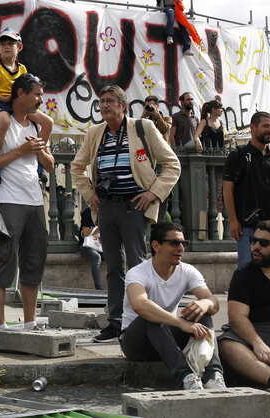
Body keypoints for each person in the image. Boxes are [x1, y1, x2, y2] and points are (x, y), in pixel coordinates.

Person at [71, 85, 181, 343]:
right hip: (106, 207)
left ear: (123, 105)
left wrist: (153, 193)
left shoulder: (143, 128)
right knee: (113, 268)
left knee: (138, 265)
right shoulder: (95, 133)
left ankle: (142, 320)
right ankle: (115, 323)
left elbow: (172, 164)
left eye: (110, 101)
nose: (105, 105)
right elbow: (77, 167)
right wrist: (90, 195)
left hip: (135, 206)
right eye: (102, 101)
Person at [0, 74, 54, 330]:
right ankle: (0, 326)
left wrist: (40, 151)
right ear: (20, 94)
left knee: (33, 264)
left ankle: (29, 323)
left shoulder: (35, 125)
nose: (40, 99)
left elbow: (50, 165)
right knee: (3, 263)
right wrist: (19, 152)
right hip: (7, 202)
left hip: (35, 202)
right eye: (35, 94)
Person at [120, 222, 225, 390]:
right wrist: (181, 323)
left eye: (184, 243)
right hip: (136, 342)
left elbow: (213, 302)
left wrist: (205, 303)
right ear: (156, 245)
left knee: (203, 313)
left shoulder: (188, 271)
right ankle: (187, 378)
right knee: (151, 316)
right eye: (174, 243)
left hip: (166, 336)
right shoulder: (138, 273)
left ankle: (214, 375)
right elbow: (140, 305)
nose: (181, 248)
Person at [0, 28, 54, 185]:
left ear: (19, 47)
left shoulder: (23, 69)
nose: (7, 46)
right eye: (3, 44)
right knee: (5, 122)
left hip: (17, 103)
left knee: (48, 122)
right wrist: (2, 98)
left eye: (11, 43)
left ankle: (40, 161)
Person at [219, 220, 270, 399]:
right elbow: (237, 318)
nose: (256, 247)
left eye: (263, 243)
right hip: (257, 330)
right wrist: (257, 343)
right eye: (253, 241)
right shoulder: (243, 274)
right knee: (226, 344)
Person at [223, 111, 270, 267]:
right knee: (247, 274)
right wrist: (233, 220)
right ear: (253, 128)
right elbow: (227, 189)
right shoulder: (238, 155)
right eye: (266, 126)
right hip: (248, 227)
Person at [77, 206, 104, 290]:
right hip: (87, 245)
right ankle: (99, 289)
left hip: (102, 246)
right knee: (96, 257)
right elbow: (86, 233)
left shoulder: (108, 211)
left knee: (116, 256)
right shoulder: (88, 212)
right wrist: (101, 226)